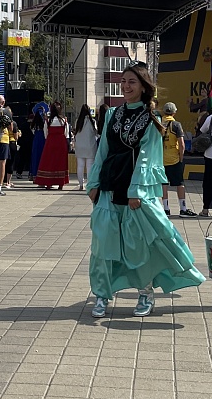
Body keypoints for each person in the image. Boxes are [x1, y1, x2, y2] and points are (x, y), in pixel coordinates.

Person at [87, 64, 205, 318]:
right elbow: (103, 151)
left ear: (143, 86)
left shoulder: (153, 119)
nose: (126, 86)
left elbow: (147, 158)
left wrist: (135, 191)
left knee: (137, 247)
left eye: (132, 81)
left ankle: (145, 292)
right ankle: (101, 295)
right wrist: (94, 183)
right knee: (102, 245)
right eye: (123, 81)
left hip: (135, 192)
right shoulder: (111, 115)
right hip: (109, 187)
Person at [159, 102, 196, 216]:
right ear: (174, 112)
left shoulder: (158, 123)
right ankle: (183, 209)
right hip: (174, 158)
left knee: (164, 184)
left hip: (161, 158)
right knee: (180, 184)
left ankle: (166, 209)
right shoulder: (176, 125)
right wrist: (181, 157)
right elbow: (181, 144)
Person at [35, 100, 71, 189]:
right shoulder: (64, 120)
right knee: (60, 163)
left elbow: (45, 134)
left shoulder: (48, 121)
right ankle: (60, 184)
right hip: (61, 143)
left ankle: (48, 183)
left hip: (50, 143)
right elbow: (66, 134)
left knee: (49, 162)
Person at [73, 104, 98, 192]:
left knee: (80, 166)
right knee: (90, 166)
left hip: (80, 147)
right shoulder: (92, 121)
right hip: (90, 146)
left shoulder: (78, 121)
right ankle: (89, 184)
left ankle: (81, 185)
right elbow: (96, 133)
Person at [28, 103, 48, 181]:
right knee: (41, 157)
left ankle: (34, 174)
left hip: (36, 141)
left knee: (35, 157)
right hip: (43, 140)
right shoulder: (44, 122)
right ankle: (41, 174)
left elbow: (32, 131)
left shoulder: (33, 124)